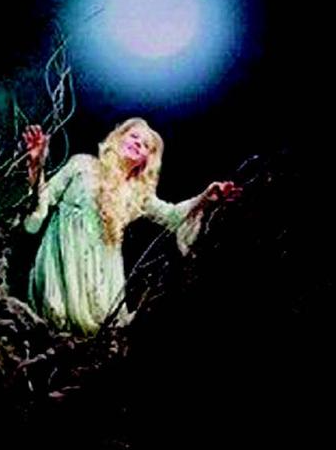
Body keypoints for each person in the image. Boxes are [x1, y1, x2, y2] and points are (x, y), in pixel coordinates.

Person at [22, 118, 238, 334]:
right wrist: (36, 165)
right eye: (134, 136)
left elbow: (172, 216)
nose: (137, 144)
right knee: (52, 322)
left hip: (101, 277)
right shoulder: (81, 165)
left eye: (145, 146)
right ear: (118, 138)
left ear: (146, 160)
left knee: (95, 333)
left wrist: (205, 198)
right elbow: (44, 198)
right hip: (63, 259)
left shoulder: (138, 194)